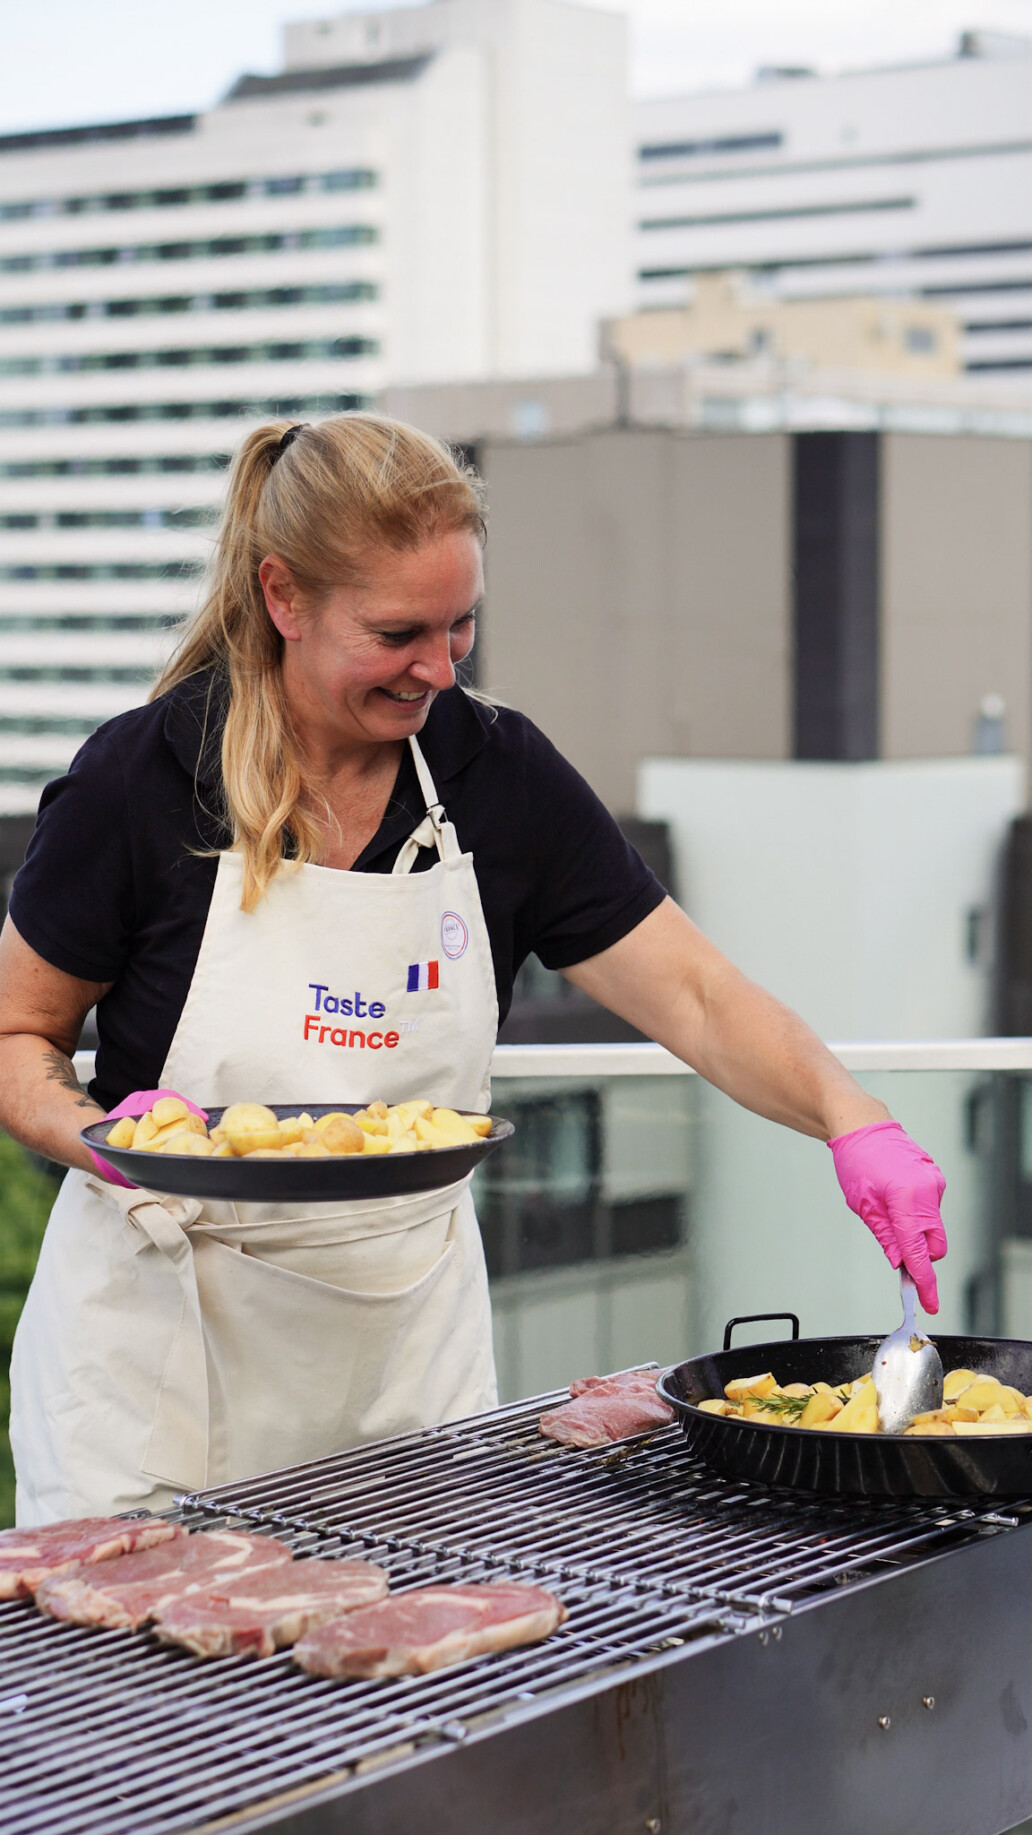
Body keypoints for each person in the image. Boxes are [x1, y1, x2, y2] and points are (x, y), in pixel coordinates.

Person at [0, 415, 947, 1526]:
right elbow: (18, 1035)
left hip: (403, 1375)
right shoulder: (143, 778)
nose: (441, 670)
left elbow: (696, 996)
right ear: (284, 596)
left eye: (462, 626)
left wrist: (853, 1117)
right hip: (160, 1369)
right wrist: (107, 1140)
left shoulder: (500, 778)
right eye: (399, 632)